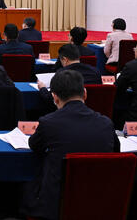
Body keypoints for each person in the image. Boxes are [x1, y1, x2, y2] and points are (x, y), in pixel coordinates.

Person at [21, 69, 119, 220]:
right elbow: (115, 153)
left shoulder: (48, 122)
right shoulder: (106, 123)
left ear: (55, 98)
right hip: (99, 202)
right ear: (85, 94)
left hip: (57, 206)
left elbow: (35, 145)